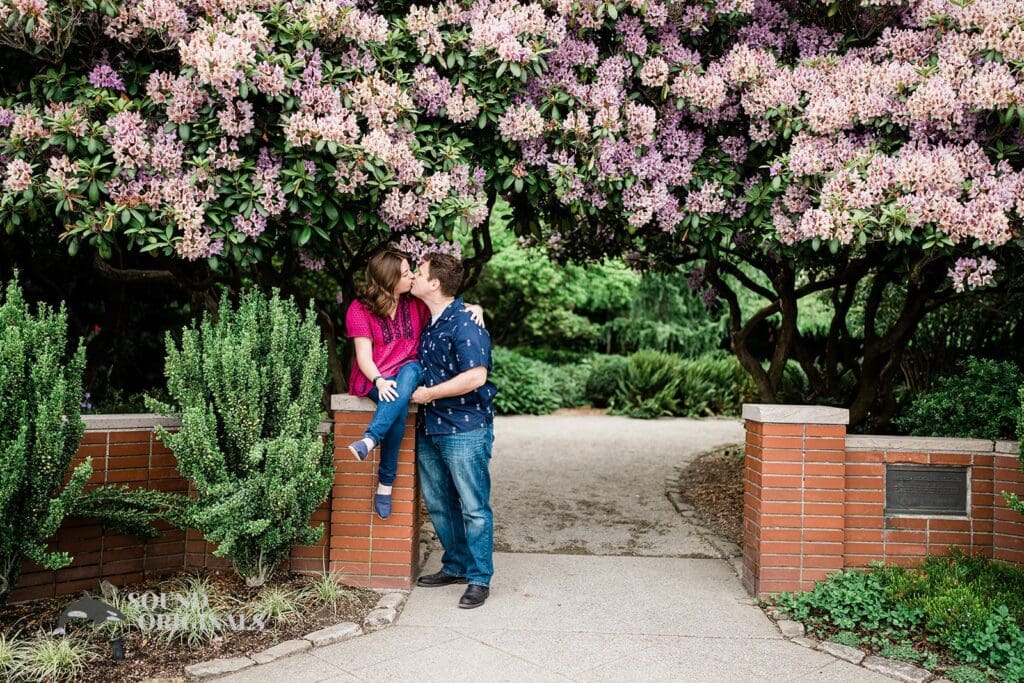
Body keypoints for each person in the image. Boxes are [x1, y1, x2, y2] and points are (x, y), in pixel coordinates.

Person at [344, 250, 482, 520]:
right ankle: (385, 482)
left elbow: (448, 307)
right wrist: (379, 380)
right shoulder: (359, 309)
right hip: (374, 376)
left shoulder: (414, 304)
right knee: (395, 404)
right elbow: (363, 357)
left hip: (408, 371)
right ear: (389, 278)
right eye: (406, 273)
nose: (411, 276)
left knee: (409, 371)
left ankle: (370, 438)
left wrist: (475, 308)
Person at [409, 252, 498, 609]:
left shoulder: (465, 322)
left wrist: (429, 393)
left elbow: (476, 376)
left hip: (465, 427)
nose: (414, 276)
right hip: (430, 426)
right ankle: (456, 565)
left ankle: (479, 578)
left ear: (435, 283)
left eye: (419, 271)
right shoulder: (430, 319)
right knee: (440, 504)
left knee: (474, 506)